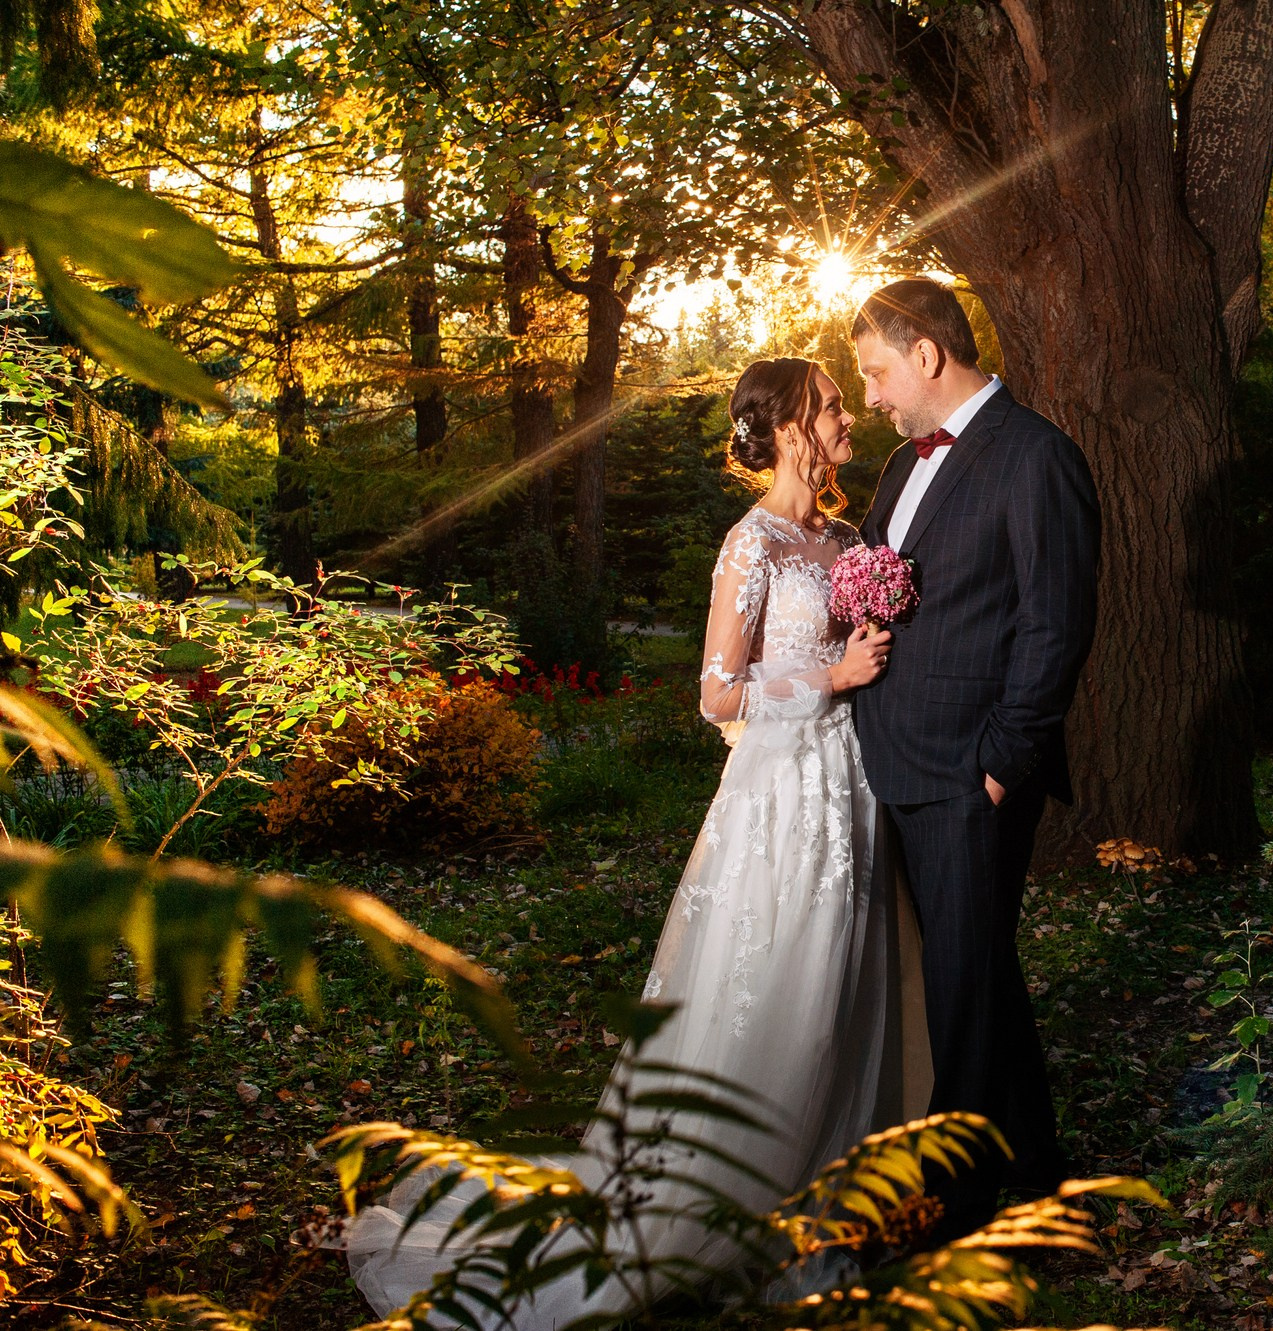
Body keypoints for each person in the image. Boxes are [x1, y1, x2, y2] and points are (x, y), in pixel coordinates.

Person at [344, 358, 930, 1325]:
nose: (843, 418)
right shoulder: (752, 544)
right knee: (780, 980)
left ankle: (823, 1205)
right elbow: (716, 695)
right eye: (828, 407)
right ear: (787, 428)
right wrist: (829, 680)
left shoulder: (846, 534)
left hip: (852, 785)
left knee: (846, 981)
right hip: (780, 796)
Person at [851, 278, 1101, 1237]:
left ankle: (955, 1208)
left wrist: (1001, 762)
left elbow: (1056, 624)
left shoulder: (1036, 456)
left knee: (960, 989)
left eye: (877, 373)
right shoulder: (896, 468)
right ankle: (1040, 1177)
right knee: (975, 971)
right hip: (897, 758)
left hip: (971, 772)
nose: (870, 394)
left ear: (926, 355)